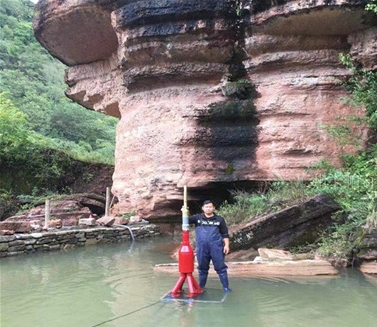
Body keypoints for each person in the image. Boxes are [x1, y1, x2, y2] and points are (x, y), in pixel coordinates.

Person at [189, 200, 232, 292]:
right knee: (202, 268)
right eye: (206, 207)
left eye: (210, 207)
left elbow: (225, 234)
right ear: (203, 208)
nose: (208, 208)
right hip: (201, 248)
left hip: (216, 247)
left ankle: (226, 288)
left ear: (213, 208)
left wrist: (226, 245)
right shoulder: (197, 218)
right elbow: (184, 221)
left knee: (221, 268)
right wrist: (184, 211)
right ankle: (201, 287)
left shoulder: (219, 219)